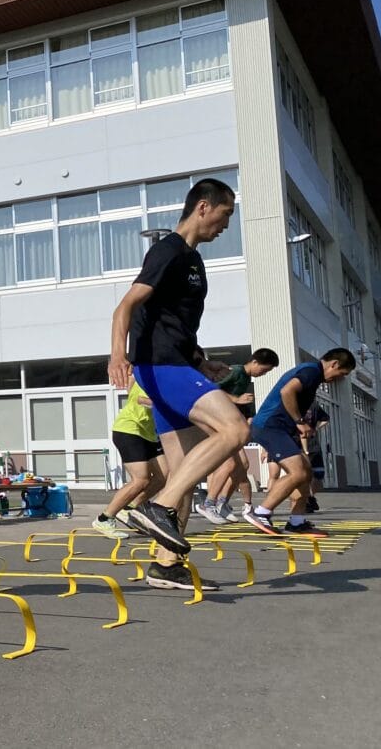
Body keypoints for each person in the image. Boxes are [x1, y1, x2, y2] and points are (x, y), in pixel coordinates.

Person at [108, 178, 245, 590]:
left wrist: (202, 361)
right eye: (225, 215)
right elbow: (127, 304)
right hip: (160, 367)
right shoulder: (167, 249)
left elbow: (175, 322)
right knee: (236, 429)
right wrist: (118, 353)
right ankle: (158, 506)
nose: (225, 225)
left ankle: (166, 565)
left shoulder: (193, 261)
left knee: (184, 471)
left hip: (178, 363)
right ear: (204, 207)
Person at [242, 349, 355, 537]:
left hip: (281, 429)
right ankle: (261, 513)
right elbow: (288, 391)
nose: (339, 378)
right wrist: (299, 422)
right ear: (334, 364)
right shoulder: (312, 371)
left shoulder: (313, 374)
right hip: (271, 426)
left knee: (306, 472)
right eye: (341, 374)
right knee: (298, 472)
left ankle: (297, 522)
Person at [197, 348, 279, 524]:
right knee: (232, 463)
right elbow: (210, 389)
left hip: (230, 423)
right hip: (218, 421)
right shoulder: (236, 371)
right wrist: (235, 399)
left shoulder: (245, 377)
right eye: (264, 370)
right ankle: (209, 503)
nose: (263, 374)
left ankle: (221, 502)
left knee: (242, 465)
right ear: (254, 362)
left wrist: (247, 415)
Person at [93, 380, 167, 540]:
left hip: (149, 434)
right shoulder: (149, 375)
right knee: (141, 479)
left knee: (164, 476)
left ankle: (129, 508)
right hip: (129, 430)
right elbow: (141, 399)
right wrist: (167, 405)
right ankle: (104, 518)